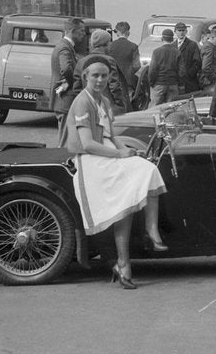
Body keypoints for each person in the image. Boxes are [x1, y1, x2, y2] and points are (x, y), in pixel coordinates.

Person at [65, 57, 168, 290]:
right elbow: (88, 144)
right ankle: (130, 254)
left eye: (104, 76)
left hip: (107, 154)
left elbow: (111, 135)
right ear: (85, 77)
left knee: (146, 169)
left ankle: (147, 235)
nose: (101, 80)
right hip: (91, 161)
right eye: (95, 76)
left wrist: (127, 151)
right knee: (140, 179)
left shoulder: (102, 101)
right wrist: (120, 156)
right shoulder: (82, 103)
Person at [75, 29, 130, 114]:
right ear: (106, 44)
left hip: (87, 107)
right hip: (107, 107)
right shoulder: (109, 60)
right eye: (109, 43)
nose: (110, 45)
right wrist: (120, 104)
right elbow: (114, 85)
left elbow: (76, 87)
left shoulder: (81, 61)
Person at [52, 17, 86, 144]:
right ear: (72, 31)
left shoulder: (65, 46)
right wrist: (74, 83)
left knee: (66, 137)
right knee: (65, 140)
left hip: (64, 100)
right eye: (81, 31)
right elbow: (66, 68)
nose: (83, 34)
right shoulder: (65, 48)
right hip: (66, 100)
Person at [148, 28, 181, 107]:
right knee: (172, 108)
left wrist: (151, 82)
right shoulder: (177, 52)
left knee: (154, 108)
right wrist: (178, 82)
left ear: (162, 38)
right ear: (172, 39)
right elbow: (182, 71)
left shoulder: (156, 52)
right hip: (172, 83)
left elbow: (152, 69)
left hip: (159, 83)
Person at [108, 21, 141, 102]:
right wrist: (130, 72)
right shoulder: (133, 46)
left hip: (112, 80)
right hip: (128, 80)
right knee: (127, 103)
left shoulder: (110, 46)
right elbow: (137, 65)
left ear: (117, 32)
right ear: (128, 32)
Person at [174, 22, 202, 94]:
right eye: (179, 31)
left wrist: (189, 74)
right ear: (175, 32)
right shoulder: (172, 46)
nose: (181, 33)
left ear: (186, 31)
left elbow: (197, 62)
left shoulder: (192, 45)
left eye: (183, 31)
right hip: (175, 80)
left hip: (189, 81)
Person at [199, 26, 216, 92]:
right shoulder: (209, 48)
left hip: (210, 80)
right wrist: (215, 78)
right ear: (212, 37)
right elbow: (205, 67)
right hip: (209, 82)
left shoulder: (211, 47)